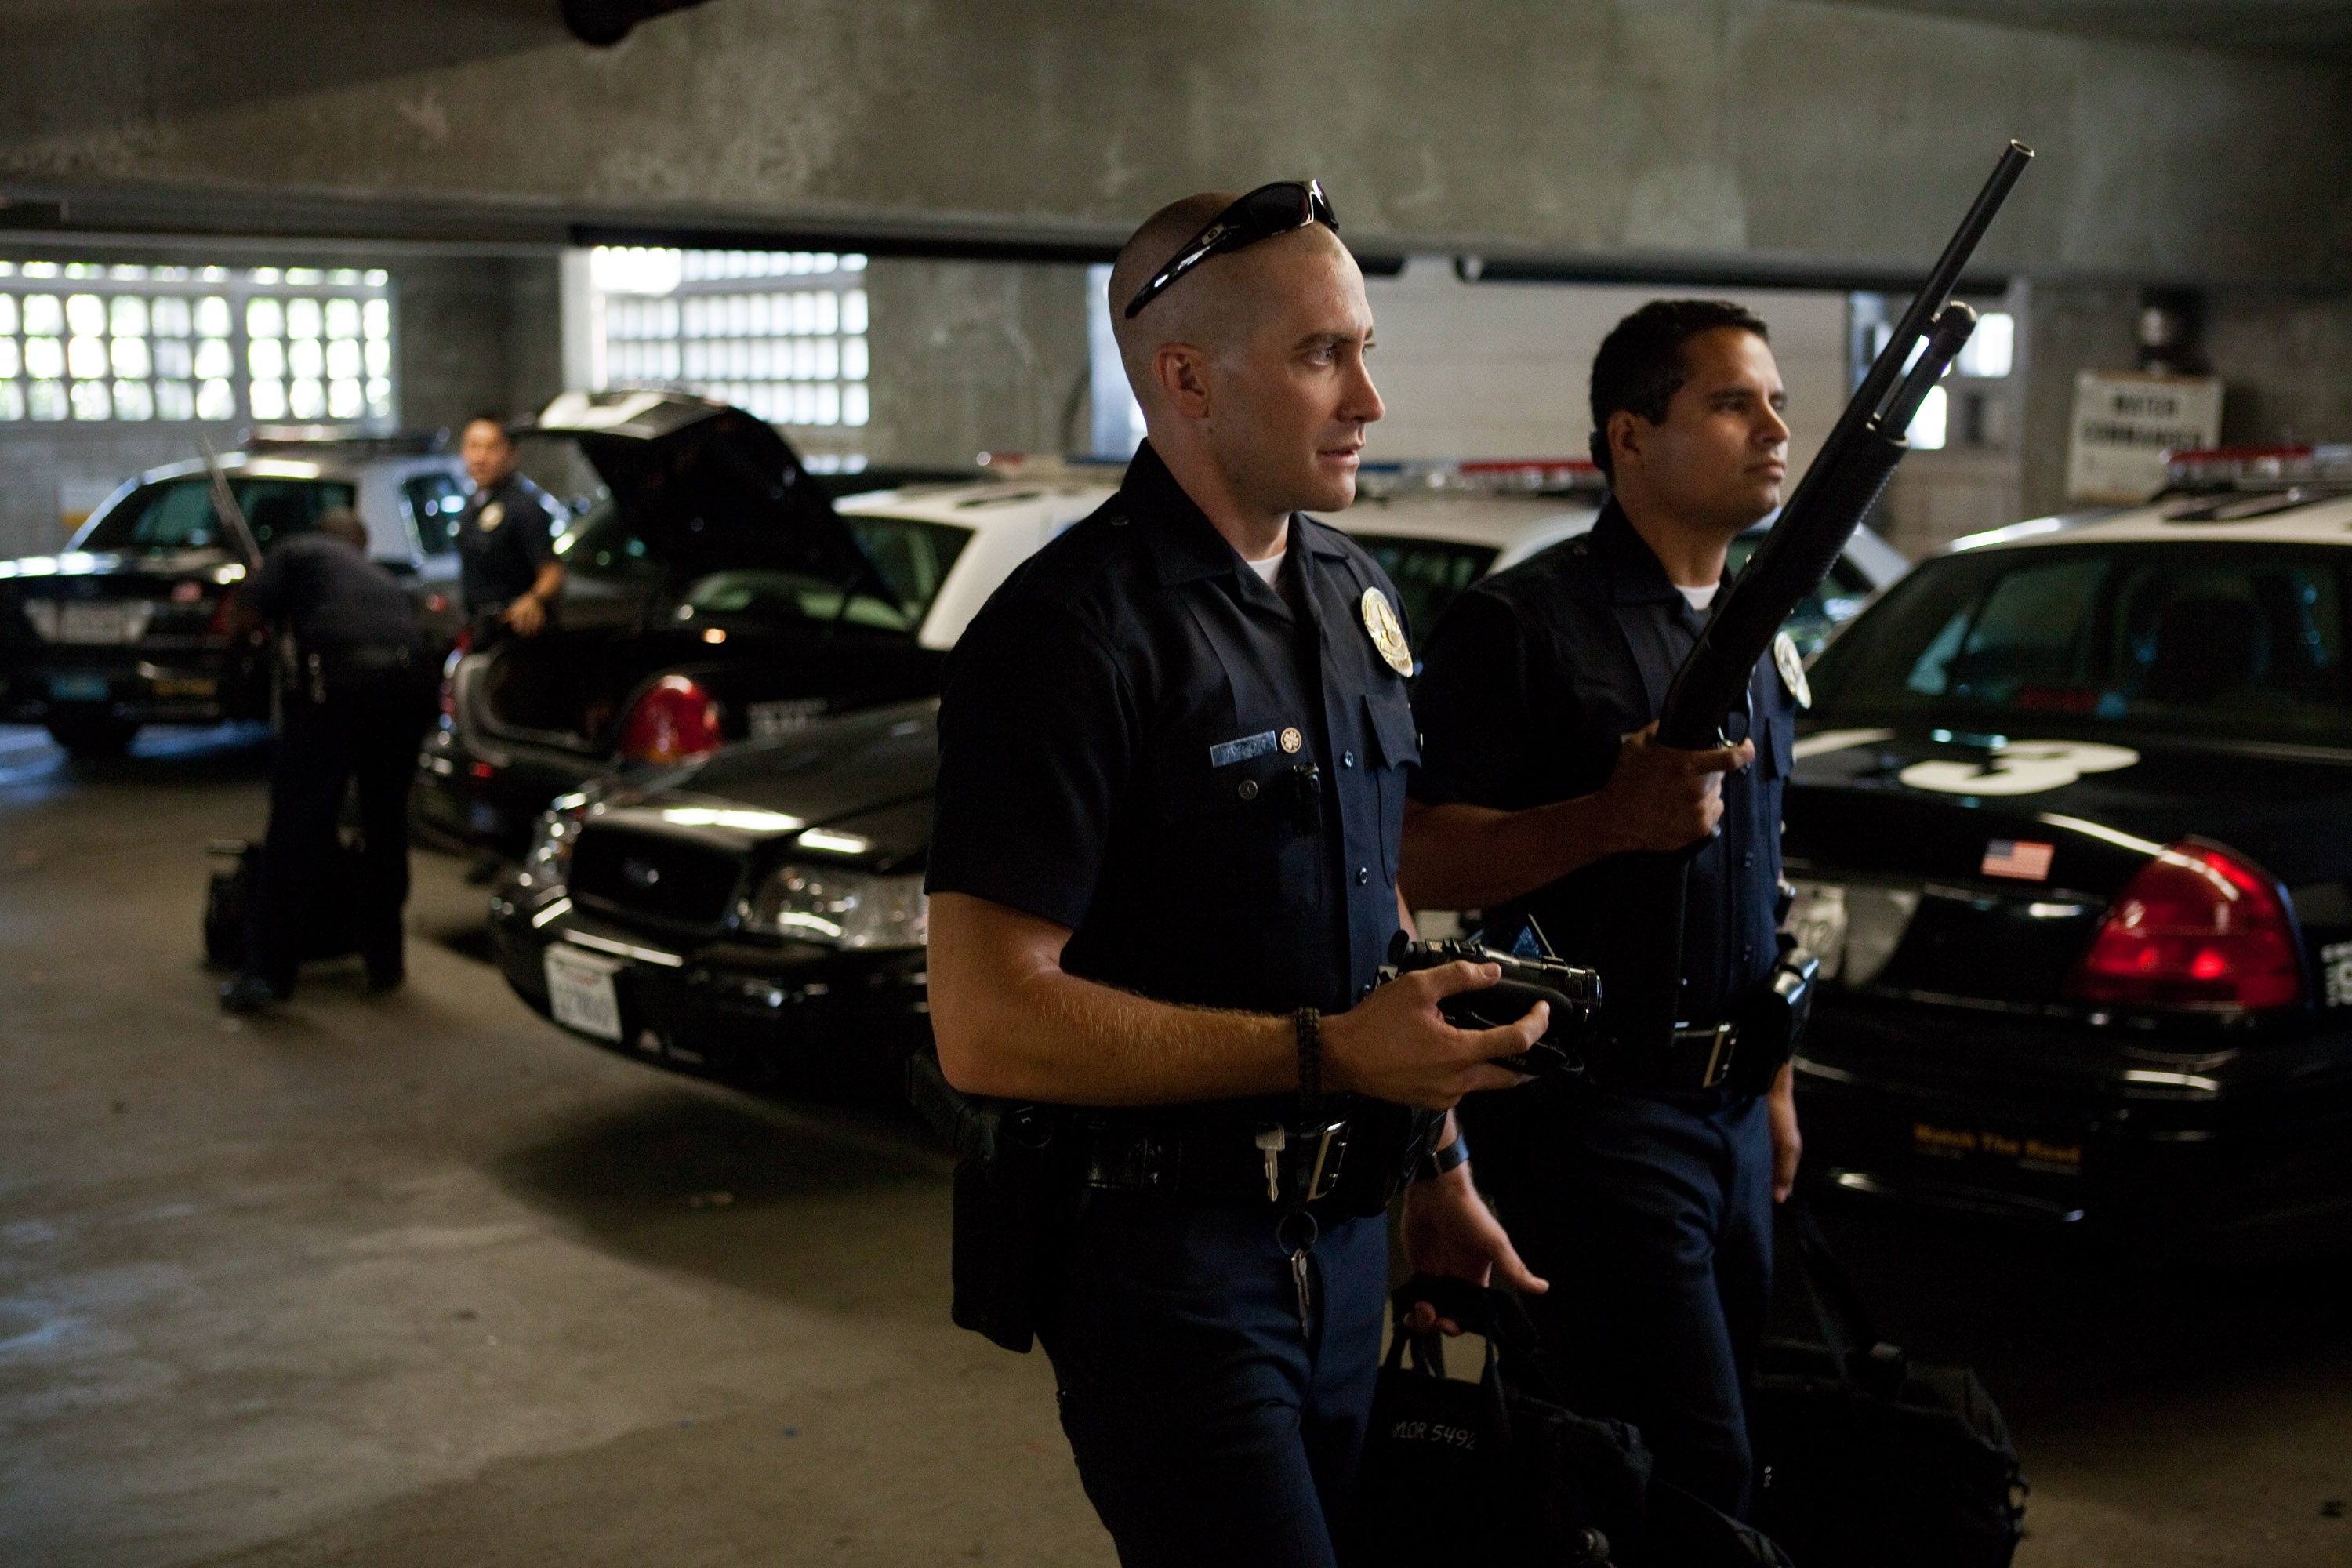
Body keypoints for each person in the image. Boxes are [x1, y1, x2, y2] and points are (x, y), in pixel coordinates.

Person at [924, 183, 1548, 1568]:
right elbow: (985, 1017)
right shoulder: (1070, 635)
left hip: (1342, 1243)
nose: (1370, 396)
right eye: (1324, 354)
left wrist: (1436, 1163)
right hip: (1168, 1269)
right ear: (1187, 377)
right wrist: (1332, 1055)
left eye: (1364, 345)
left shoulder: (1350, 593)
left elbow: (1367, 882)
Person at [1401, 299, 1806, 1520]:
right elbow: (1418, 860)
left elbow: (1758, 876)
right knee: (1669, 1478)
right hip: (1592, 1121)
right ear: (1630, 437)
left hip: (1729, 1115)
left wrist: (1774, 1082)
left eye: (1775, 400)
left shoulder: (1757, 634)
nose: (1774, 427)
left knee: (1741, 1451)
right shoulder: (1520, 628)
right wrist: (1606, 820)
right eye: (1733, 403)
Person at [220, 508, 435, 1012]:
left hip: (338, 685)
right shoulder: (381, 576)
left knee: (299, 824)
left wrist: (258, 602)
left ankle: (266, 976)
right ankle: (386, 962)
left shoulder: (294, 550)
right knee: (385, 825)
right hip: (408, 687)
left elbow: (243, 618)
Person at [454, 415, 564, 644]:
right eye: (473, 446)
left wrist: (533, 599)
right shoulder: (475, 503)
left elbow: (552, 571)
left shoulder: (523, 507)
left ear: (512, 455)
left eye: (490, 448)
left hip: (515, 638)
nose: (479, 457)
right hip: (482, 631)